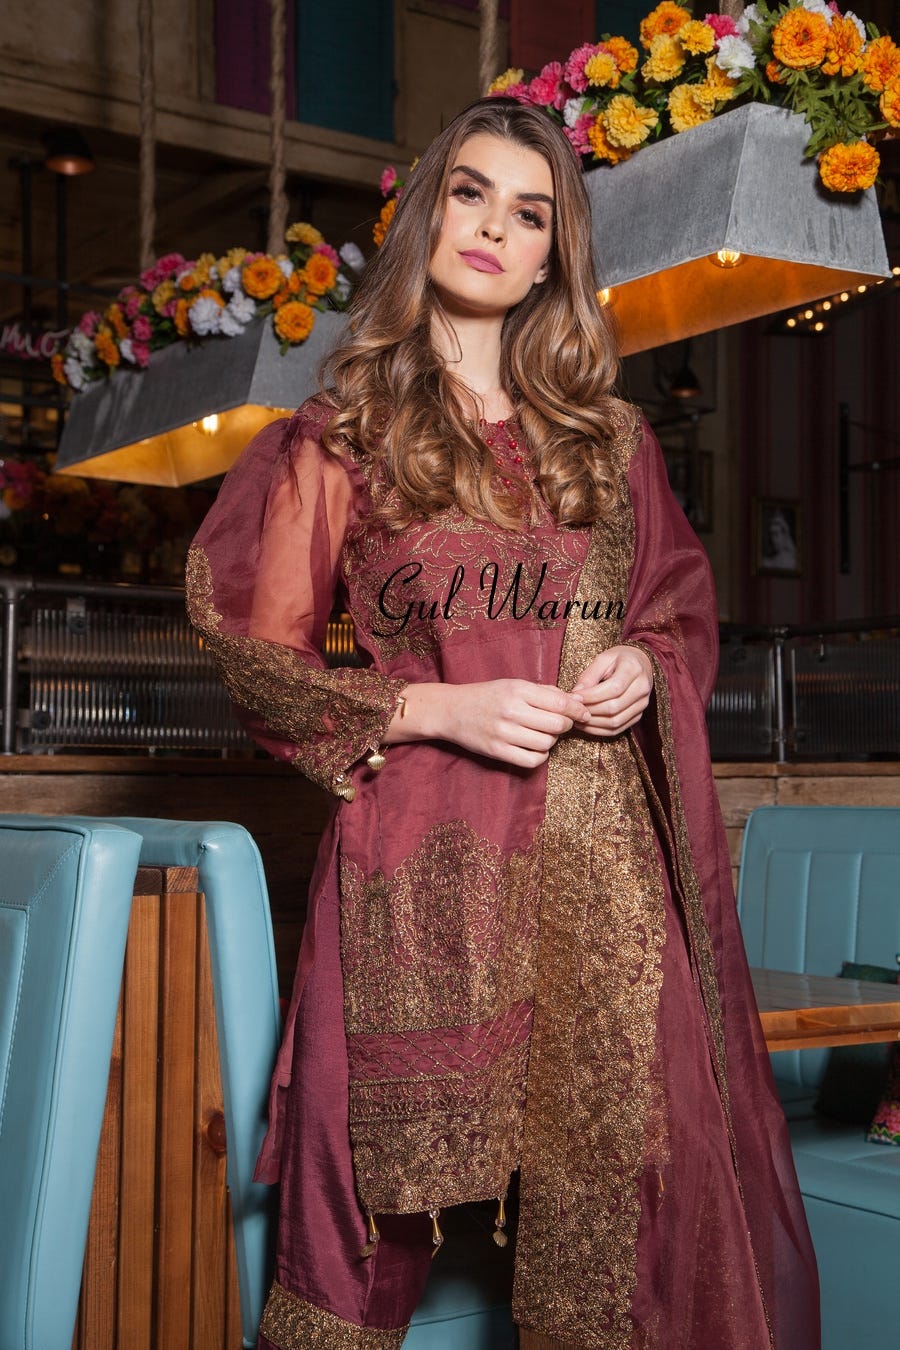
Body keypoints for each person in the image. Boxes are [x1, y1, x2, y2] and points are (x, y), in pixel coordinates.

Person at [186, 98, 820, 1349]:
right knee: (362, 1211)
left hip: (605, 878)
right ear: (428, 216)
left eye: (530, 215)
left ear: (550, 260)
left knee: (630, 1216)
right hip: (422, 863)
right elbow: (253, 656)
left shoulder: (610, 441)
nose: (493, 228)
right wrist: (436, 705)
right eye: (470, 194)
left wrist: (642, 666)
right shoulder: (341, 436)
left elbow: (678, 609)